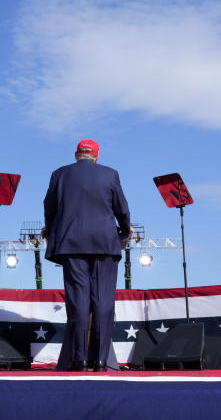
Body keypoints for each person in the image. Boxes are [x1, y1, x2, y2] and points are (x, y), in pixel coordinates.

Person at [43, 139, 131, 372]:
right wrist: (124, 230)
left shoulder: (59, 174)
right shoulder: (110, 174)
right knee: (103, 301)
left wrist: (51, 230)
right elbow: (121, 207)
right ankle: (101, 361)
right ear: (97, 156)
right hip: (105, 243)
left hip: (71, 243)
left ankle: (79, 359)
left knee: (78, 301)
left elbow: (49, 207)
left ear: (76, 155)